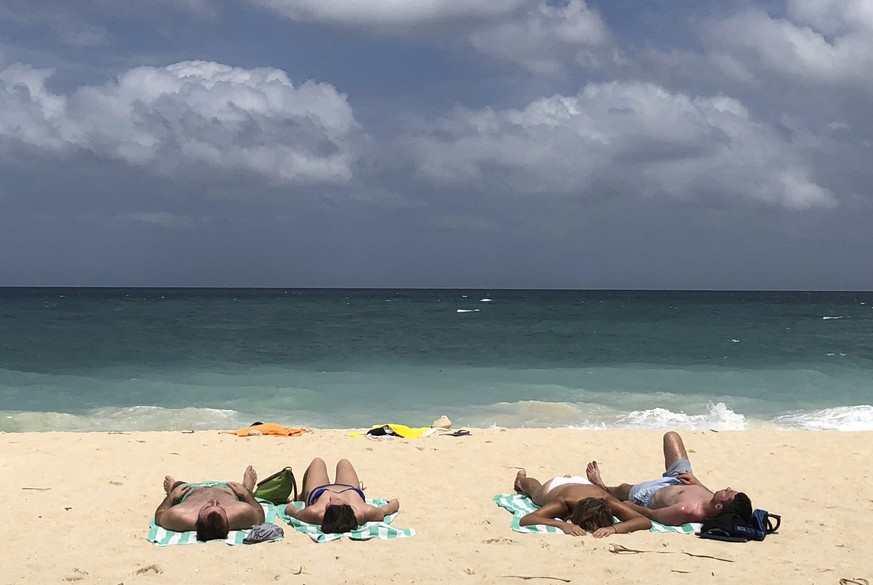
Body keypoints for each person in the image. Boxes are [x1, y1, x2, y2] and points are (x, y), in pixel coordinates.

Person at [585, 431, 753, 526]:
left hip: (652, 494)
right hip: (681, 480)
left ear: (718, 506)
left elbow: (653, 515)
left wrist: (627, 506)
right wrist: (697, 483)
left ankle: (602, 487)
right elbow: (708, 496)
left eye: (728, 493)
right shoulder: (714, 502)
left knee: (622, 489)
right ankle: (607, 489)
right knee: (671, 436)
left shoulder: (685, 511)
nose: (728, 488)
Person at [513, 469, 652, 537]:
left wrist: (613, 528)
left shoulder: (605, 499)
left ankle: (521, 480)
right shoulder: (565, 502)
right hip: (557, 486)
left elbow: (644, 521)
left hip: (585, 484)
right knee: (536, 493)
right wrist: (562, 525)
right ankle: (520, 480)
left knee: (536, 493)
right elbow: (527, 519)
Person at [284, 457, 399, 533]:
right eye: (338, 501)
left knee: (318, 462)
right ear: (350, 509)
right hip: (349, 488)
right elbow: (387, 510)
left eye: (329, 504)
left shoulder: (315, 513)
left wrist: (293, 506)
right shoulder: (365, 512)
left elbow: (291, 510)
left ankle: (301, 496)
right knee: (343, 462)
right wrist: (394, 503)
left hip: (319, 491)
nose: (333, 497)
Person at [154, 465, 266, 541]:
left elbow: (159, 515)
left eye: (208, 506)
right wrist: (246, 494)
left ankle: (172, 488)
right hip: (228, 491)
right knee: (242, 492)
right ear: (228, 520)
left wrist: (172, 496)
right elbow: (260, 515)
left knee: (179, 486)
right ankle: (247, 487)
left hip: (191, 493)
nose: (215, 502)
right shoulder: (240, 513)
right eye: (220, 507)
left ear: (197, 520)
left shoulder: (181, 515)